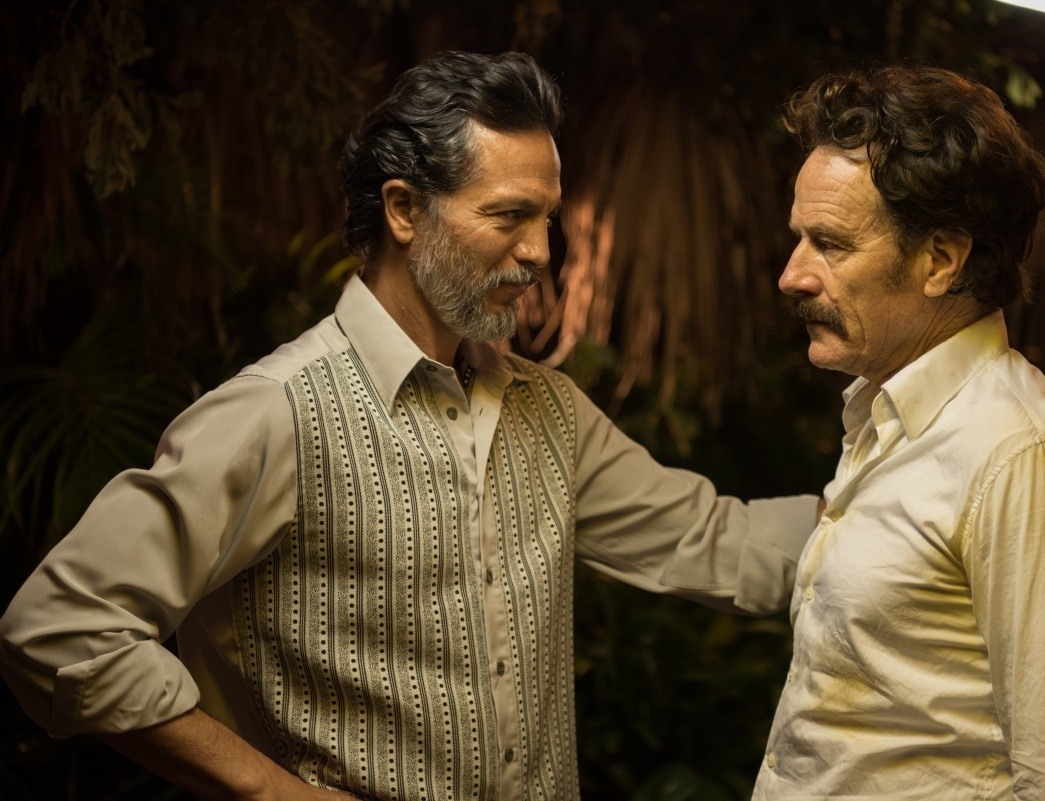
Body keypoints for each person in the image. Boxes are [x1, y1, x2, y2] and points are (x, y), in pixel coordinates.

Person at [0, 50, 819, 801]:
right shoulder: (276, 412)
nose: (540, 251)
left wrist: (893, 503)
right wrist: (268, 790)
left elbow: (717, 541)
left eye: (547, 217)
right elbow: (61, 626)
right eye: (509, 215)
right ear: (403, 210)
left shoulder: (549, 409)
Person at [753, 64, 1045, 800]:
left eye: (829, 243)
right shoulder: (881, 413)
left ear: (940, 259)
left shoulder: (1014, 453)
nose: (791, 275)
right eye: (799, 238)